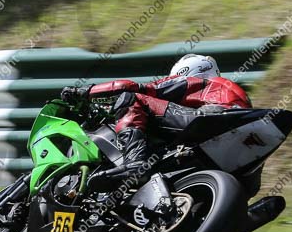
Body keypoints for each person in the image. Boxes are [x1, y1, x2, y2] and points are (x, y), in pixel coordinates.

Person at [61, 54, 251, 183]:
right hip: (236, 144)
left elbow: (130, 87)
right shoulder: (228, 91)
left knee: (133, 99)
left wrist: (86, 92)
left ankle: (134, 162)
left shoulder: (196, 82)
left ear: (185, 71)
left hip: (212, 119)